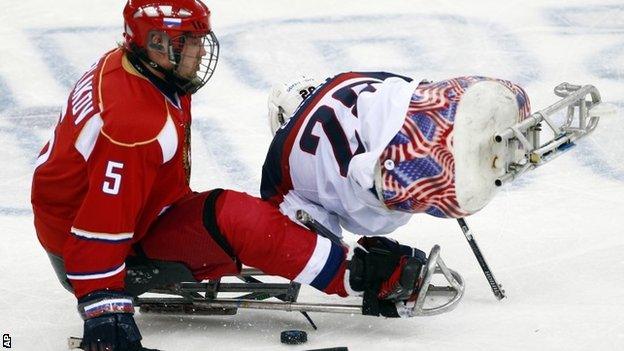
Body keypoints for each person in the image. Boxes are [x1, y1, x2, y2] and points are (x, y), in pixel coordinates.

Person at [31, 2, 427, 350]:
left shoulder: (135, 69)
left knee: (238, 218)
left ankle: (309, 251)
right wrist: (105, 309)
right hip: (91, 247)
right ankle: (356, 276)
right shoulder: (134, 128)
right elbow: (100, 226)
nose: (201, 50)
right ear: (155, 43)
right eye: (189, 41)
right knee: (236, 219)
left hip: (125, 210)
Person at [262, 72, 531, 237]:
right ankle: (473, 139)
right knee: (405, 105)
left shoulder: (276, 165)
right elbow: (418, 85)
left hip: (400, 172)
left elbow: (311, 236)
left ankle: (436, 171)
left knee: (362, 178)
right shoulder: (346, 78)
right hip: (447, 100)